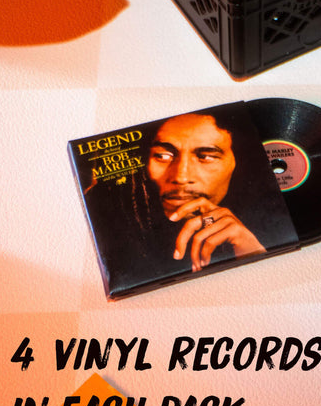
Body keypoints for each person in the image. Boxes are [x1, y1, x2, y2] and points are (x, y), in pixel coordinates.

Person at [83, 111, 268, 293]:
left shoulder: (265, 225)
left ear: (237, 162)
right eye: (163, 156)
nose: (181, 176)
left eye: (206, 157)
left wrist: (252, 252)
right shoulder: (103, 216)